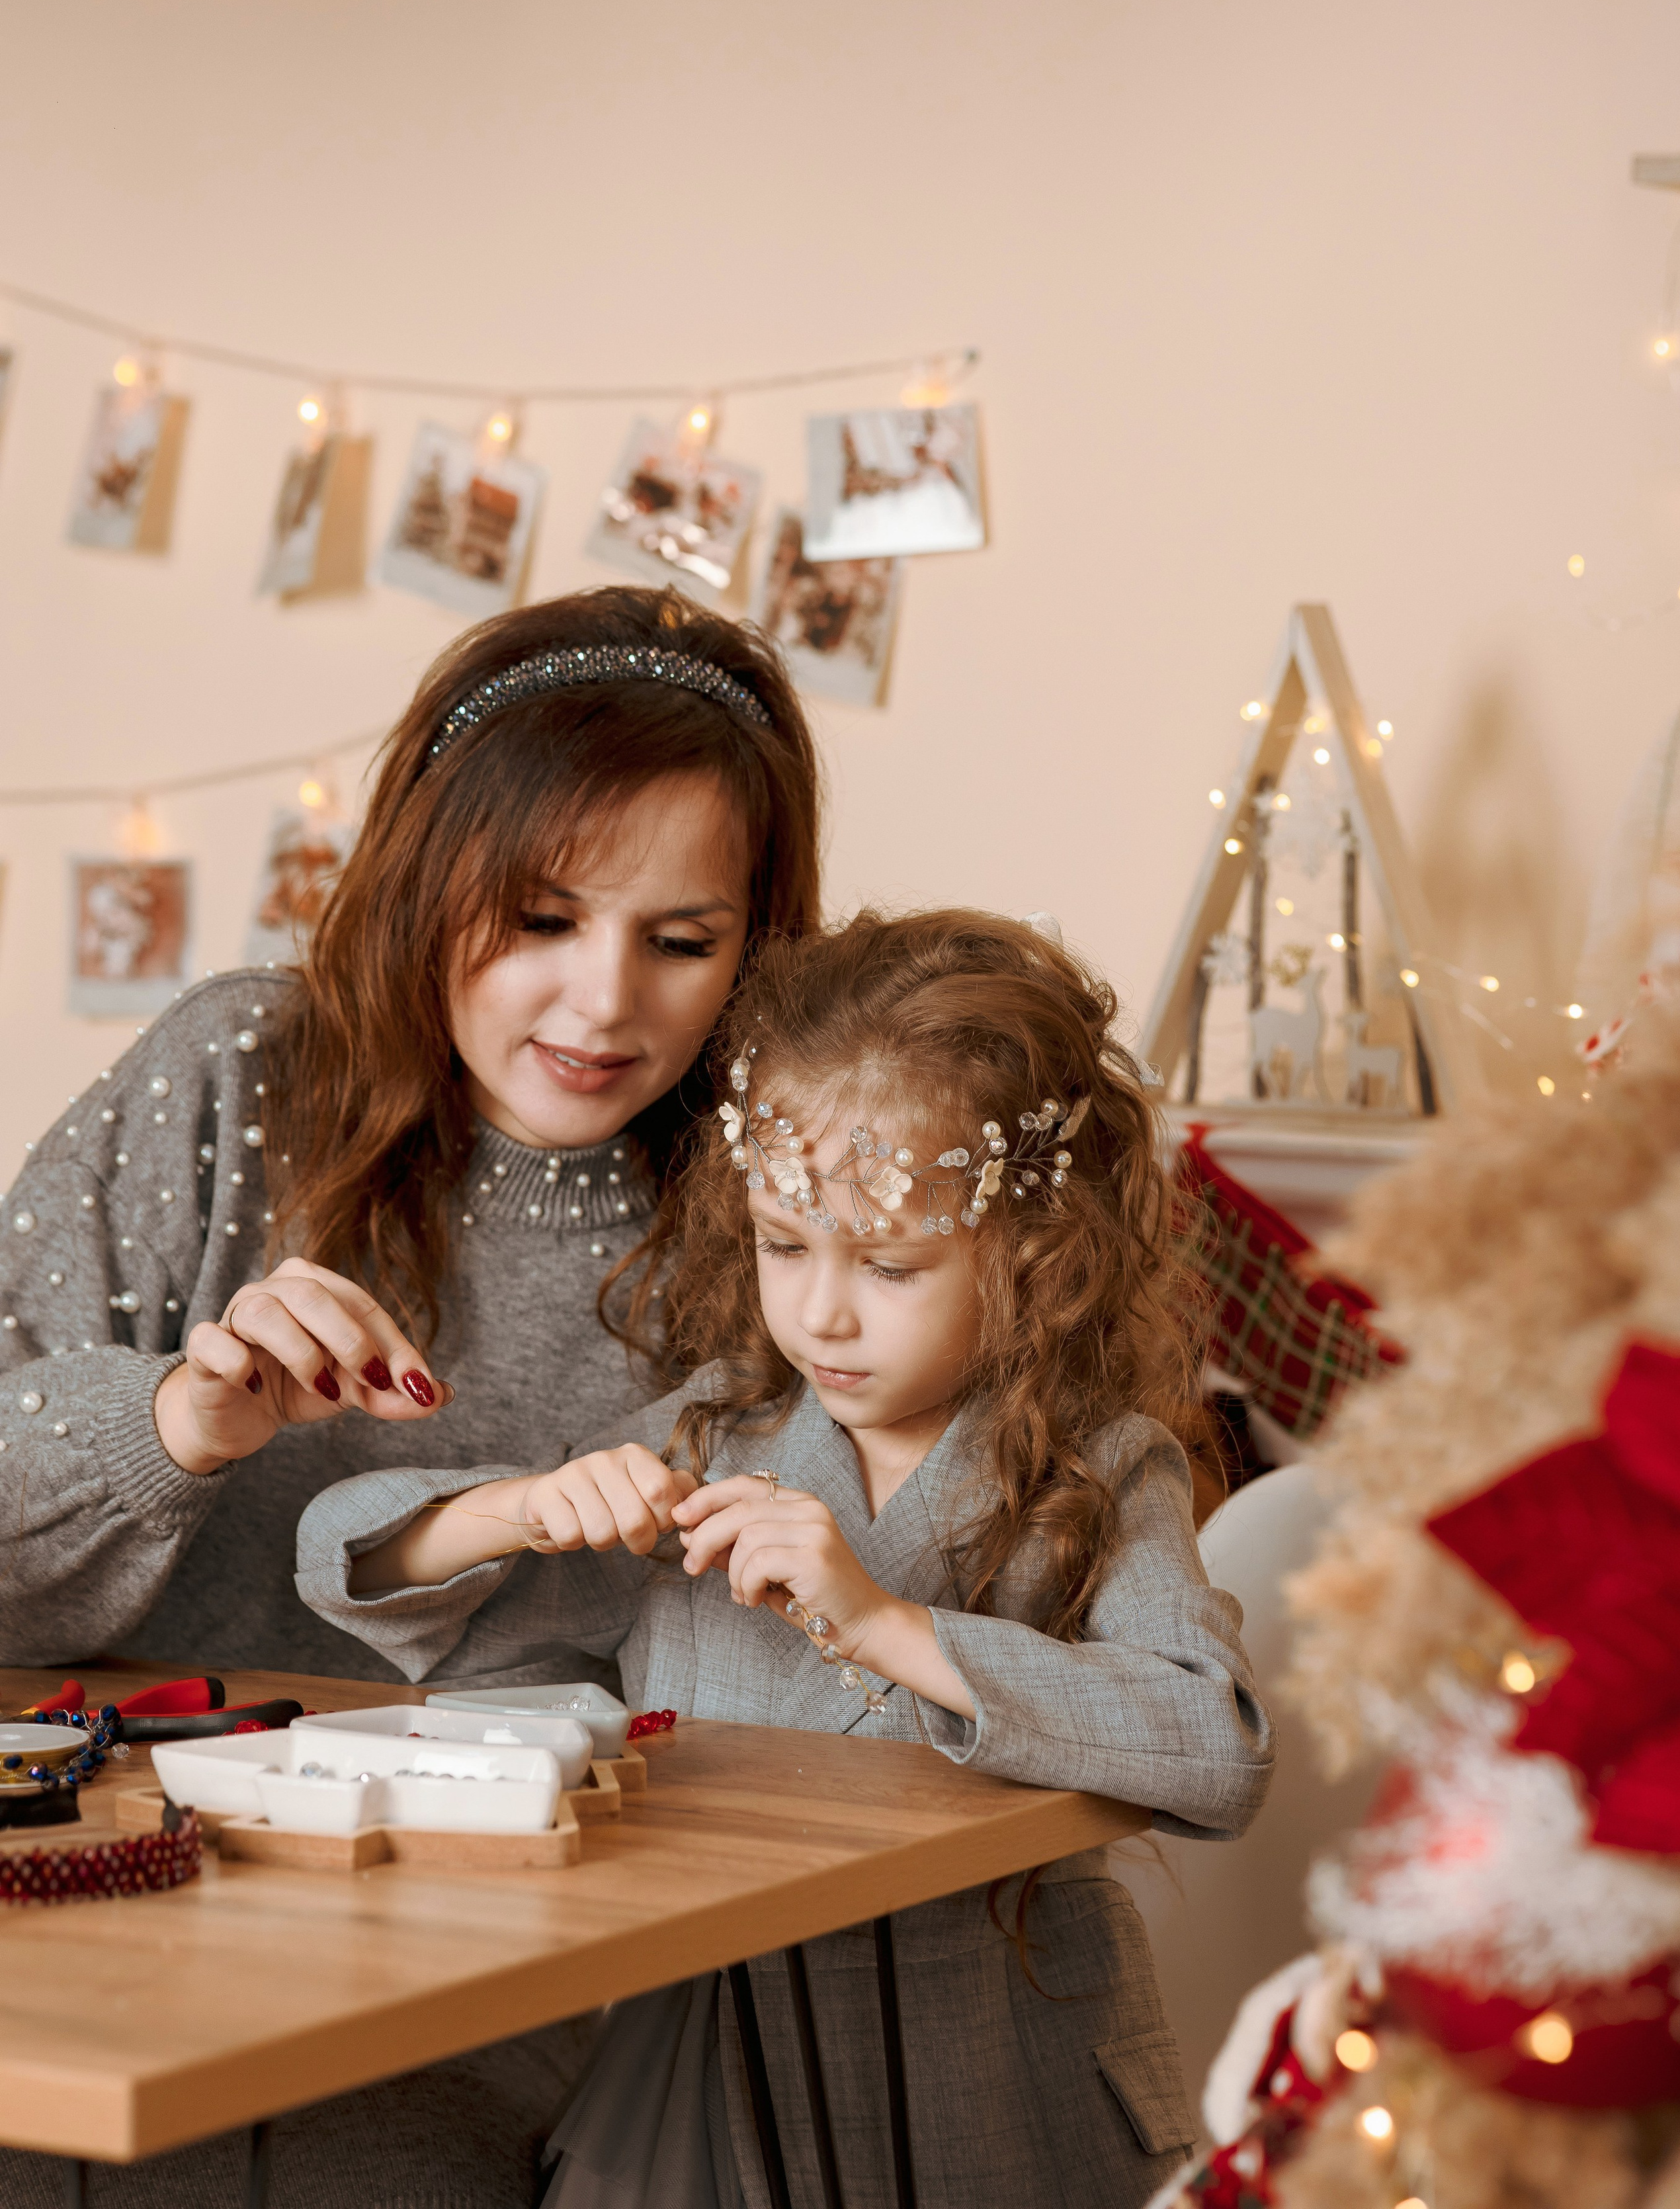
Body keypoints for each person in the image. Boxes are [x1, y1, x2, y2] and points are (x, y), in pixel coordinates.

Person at [0, 582, 821, 2209]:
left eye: (682, 942)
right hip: (85, 1891)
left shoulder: (780, 1216)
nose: (602, 1006)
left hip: (489, 1972)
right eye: (536, 919)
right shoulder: (236, 1077)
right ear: (422, 879)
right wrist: (172, 1426)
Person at [298, 908, 1277, 2209]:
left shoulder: (1100, 1466)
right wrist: (519, 1507)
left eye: (888, 1263)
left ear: (1035, 1259)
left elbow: (1213, 1746)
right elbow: (355, 1566)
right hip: (718, 2089)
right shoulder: (709, 1435)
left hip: (1000, 2086)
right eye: (780, 1244)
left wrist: (882, 1624)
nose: (820, 1310)